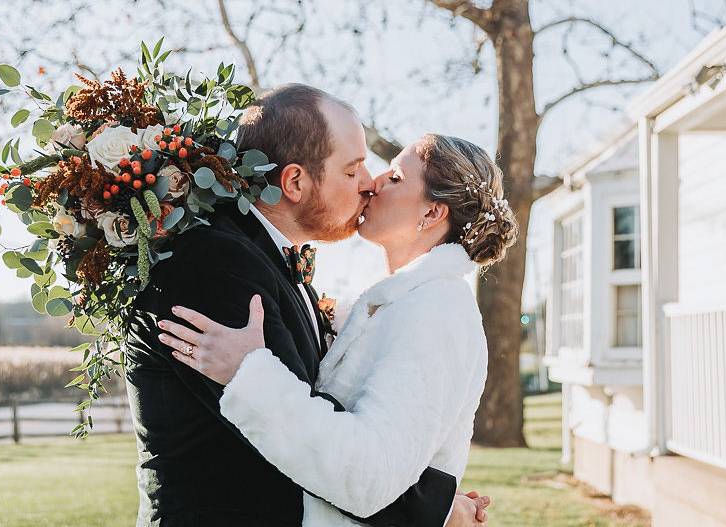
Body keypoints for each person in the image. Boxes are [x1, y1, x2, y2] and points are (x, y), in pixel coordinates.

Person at [125, 84, 489, 526]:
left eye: (391, 177)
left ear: (434, 214)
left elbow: (326, 433)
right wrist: (438, 507)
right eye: (353, 169)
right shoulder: (215, 263)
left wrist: (439, 504)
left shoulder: (431, 306)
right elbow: (295, 440)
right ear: (295, 181)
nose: (369, 184)